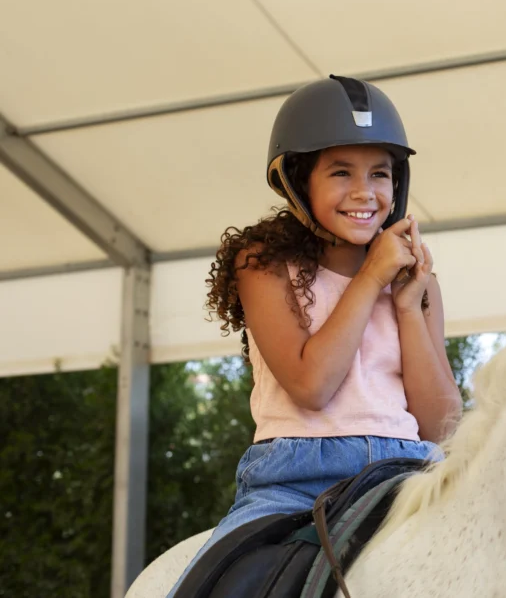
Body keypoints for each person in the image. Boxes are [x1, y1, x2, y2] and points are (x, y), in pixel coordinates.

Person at [168, 75, 462, 595]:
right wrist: (370, 277)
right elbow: (311, 385)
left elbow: (440, 426)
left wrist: (407, 306)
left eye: (380, 173)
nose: (364, 192)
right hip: (294, 479)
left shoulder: (419, 285)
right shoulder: (264, 266)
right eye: (341, 172)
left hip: (411, 470)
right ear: (299, 181)